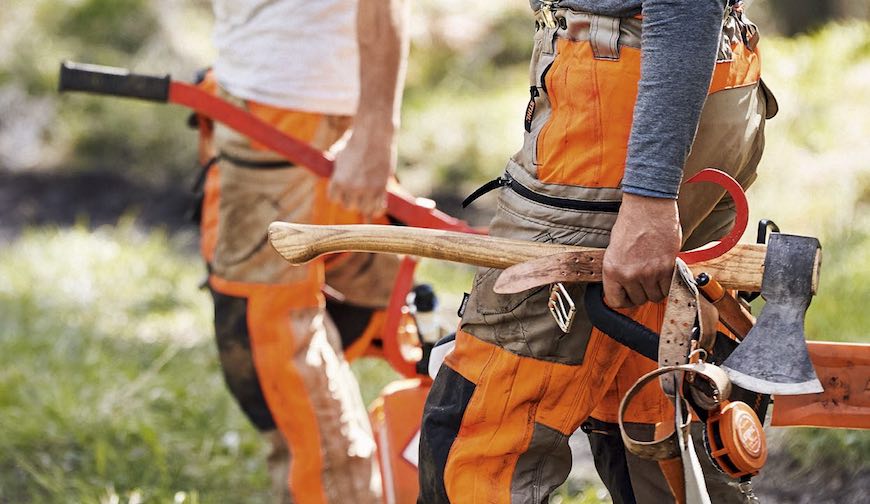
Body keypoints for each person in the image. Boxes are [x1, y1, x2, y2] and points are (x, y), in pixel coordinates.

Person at [418, 0, 776, 502]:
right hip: (685, 76)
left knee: (484, 437)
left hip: (622, 105)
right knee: (652, 411)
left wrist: (651, 196)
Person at [193, 1, 410, 502]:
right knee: (360, 295)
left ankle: (340, 491)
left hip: (295, 98)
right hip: (255, 84)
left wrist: (377, 129)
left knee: (263, 333)